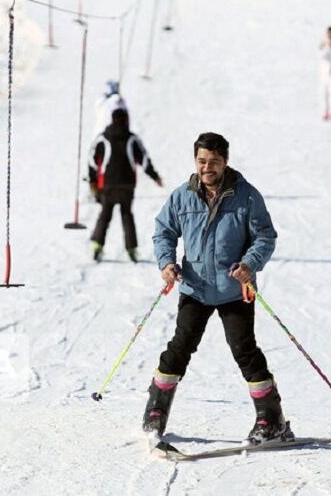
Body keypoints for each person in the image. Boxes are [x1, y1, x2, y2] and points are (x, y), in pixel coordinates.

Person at [143, 132, 291, 444]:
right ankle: (156, 411)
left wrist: (249, 264)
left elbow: (265, 236)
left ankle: (270, 417)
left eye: (213, 162)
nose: (207, 168)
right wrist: (166, 263)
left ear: (225, 162)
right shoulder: (182, 196)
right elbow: (164, 231)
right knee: (179, 348)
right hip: (195, 288)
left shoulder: (247, 196)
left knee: (244, 350)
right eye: (201, 161)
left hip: (234, 289)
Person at [89, 108, 162, 263]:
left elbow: (92, 160)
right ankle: (131, 249)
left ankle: (97, 246)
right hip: (127, 186)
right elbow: (144, 160)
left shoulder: (103, 138)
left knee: (105, 215)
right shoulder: (132, 139)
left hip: (107, 185)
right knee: (126, 215)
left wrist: (93, 180)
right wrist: (154, 176)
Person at [89, 80, 128, 200]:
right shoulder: (116, 101)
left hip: (101, 135)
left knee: (99, 161)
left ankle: (99, 188)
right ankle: (102, 188)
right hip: (110, 135)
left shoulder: (104, 101)